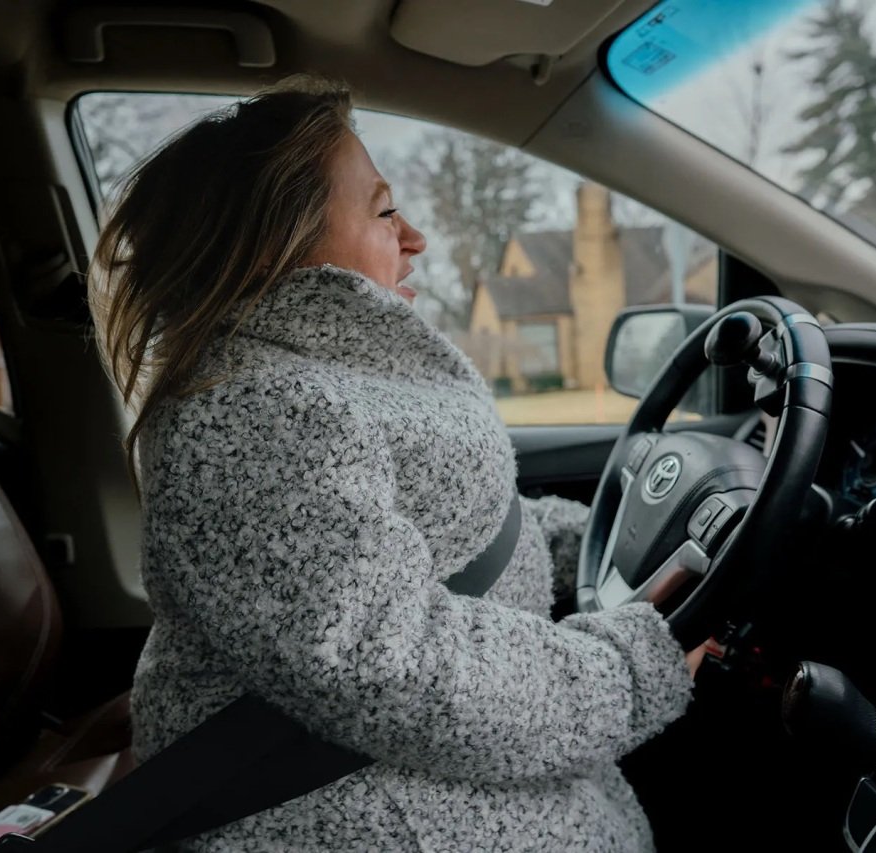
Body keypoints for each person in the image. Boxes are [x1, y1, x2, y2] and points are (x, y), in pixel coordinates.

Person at [90, 77, 696, 852]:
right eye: (382, 211)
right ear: (277, 245)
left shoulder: (319, 382)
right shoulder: (251, 417)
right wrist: (633, 667)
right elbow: (393, 666)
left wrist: (590, 539)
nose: (414, 238)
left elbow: (457, 542)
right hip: (321, 805)